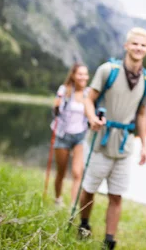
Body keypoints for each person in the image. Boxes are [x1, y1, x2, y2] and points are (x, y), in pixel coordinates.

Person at [77, 27, 146, 250]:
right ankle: (84, 223)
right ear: (126, 46)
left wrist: (144, 145)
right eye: (135, 44)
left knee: (116, 195)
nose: (139, 48)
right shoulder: (107, 70)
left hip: (124, 145)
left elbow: (141, 114)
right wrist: (92, 118)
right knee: (89, 189)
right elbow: (88, 100)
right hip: (100, 140)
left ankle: (109, 240)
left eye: (143, 45)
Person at [51, 63, 90, 207]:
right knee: (61, 171)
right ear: (73, 75)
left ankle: (73, 205)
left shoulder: (89, 93)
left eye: (85, 74)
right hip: (63, 135)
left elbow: (91, 112)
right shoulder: (65, 90)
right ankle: (58, 199)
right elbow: (55, 111)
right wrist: (56, 106)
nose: (83, 77)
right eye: (80, 74)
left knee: (77, 173)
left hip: (80, 136)